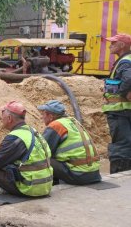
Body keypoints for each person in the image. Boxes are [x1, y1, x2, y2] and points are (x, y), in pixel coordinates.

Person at [0, 101, 53, 198]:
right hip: (45, 185)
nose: (1, 118)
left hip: (31, 187)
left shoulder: (15, 137)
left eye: (2, 114)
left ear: (9, 118)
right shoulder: (32, 131)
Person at [38, 100, 101, 185]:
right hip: (94, 173)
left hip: (79, 175)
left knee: (43, 158)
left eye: (43, 114)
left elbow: (42, 151)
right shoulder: (73, 121)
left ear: (50, 116)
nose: (42, 117)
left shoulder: (56, 125)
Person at [102, 33, 131, 173]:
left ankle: (120, 172)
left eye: (113, 43)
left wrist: (123, 93)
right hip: (125, 110)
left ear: (121, 45)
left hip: (120, 111)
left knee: (121, 145)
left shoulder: (125, 61)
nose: (110, 45)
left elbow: (129, 78)